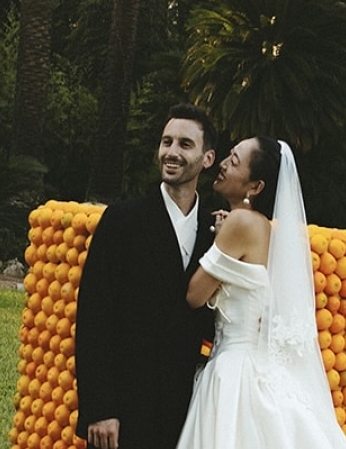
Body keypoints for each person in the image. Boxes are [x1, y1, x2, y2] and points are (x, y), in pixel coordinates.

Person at [176, 137, 346, 448]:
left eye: (234, 161)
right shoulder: (265, 228)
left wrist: (215, 241)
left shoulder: (240, 222)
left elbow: (195, 295)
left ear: (255, 187)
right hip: (254, 359)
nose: (223, 164)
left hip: (234, 365)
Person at [74, 103, 218, 449]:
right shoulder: (122, 220)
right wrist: (100, 408)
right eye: (166, 142)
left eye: (185, 144)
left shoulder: (215, 232)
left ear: (208, 158)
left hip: (184, 410)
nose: (171, 152)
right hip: (123, 410)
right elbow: (94, 317)